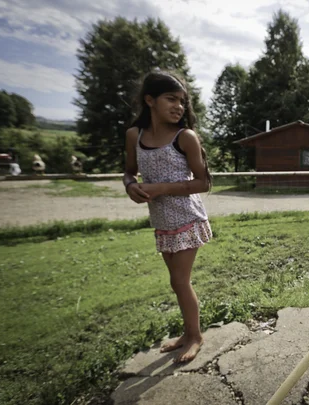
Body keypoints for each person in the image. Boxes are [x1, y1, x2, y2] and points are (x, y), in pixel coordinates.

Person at [123, 70, 213, 363]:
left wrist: (161, 187)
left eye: (183, 102)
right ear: (150, 100)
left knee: (180, 281)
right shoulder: (134, 136)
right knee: (176, 282)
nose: (179, 107)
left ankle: (195, 336)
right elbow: (128, 171)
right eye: (171, 99)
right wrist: (130, 186)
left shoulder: (184, 137)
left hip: (188, 219)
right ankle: (188, 334)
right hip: (162, 223)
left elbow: (204, 183)